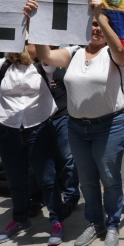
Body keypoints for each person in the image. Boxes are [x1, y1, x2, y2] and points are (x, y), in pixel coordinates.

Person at [34, 0, 124, 246]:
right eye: (93, 24)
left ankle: (112, 224)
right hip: (77, 127)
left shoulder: (113, 53)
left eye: (100, 24)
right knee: (86, 180)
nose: (96, 28)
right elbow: (45, 56)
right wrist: (36, 22)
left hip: (109, 126)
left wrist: (100, 14)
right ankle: (95, 222)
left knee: (109, 178)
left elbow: (120, 49)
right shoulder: (73, 52)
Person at [0, 23, 64, 246]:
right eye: (27, 42)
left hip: (38, 129)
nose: (32, 46)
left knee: (47, 179)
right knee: (15, 181)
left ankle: (56, 221)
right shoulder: (2, 66)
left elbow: (45, 53)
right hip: (8, 132)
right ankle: (20, 219)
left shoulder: (43, 67)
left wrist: (32, 22)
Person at [28, 59, 81, 219]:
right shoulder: (32, 66)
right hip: (38, 119)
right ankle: (37, 199)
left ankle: (71, 198)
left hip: (62, 118)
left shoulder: (64, 61)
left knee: (68, 160)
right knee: (36, 163)